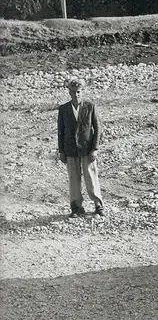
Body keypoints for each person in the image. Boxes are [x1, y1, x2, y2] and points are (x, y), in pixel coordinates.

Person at [57, 77, 103, 217]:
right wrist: (61, 151)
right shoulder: (63, 109)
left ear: (82, 91)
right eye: (73, 92)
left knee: (91, 177)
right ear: (69, 92)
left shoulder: (90, 106)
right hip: (71, 150)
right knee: (74, 180)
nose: (76, 94)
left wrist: (95, 148)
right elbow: (60, 131)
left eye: (79, 92)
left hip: (87, 149)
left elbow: (98, 128)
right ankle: (76, 207)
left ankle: (98, 204)